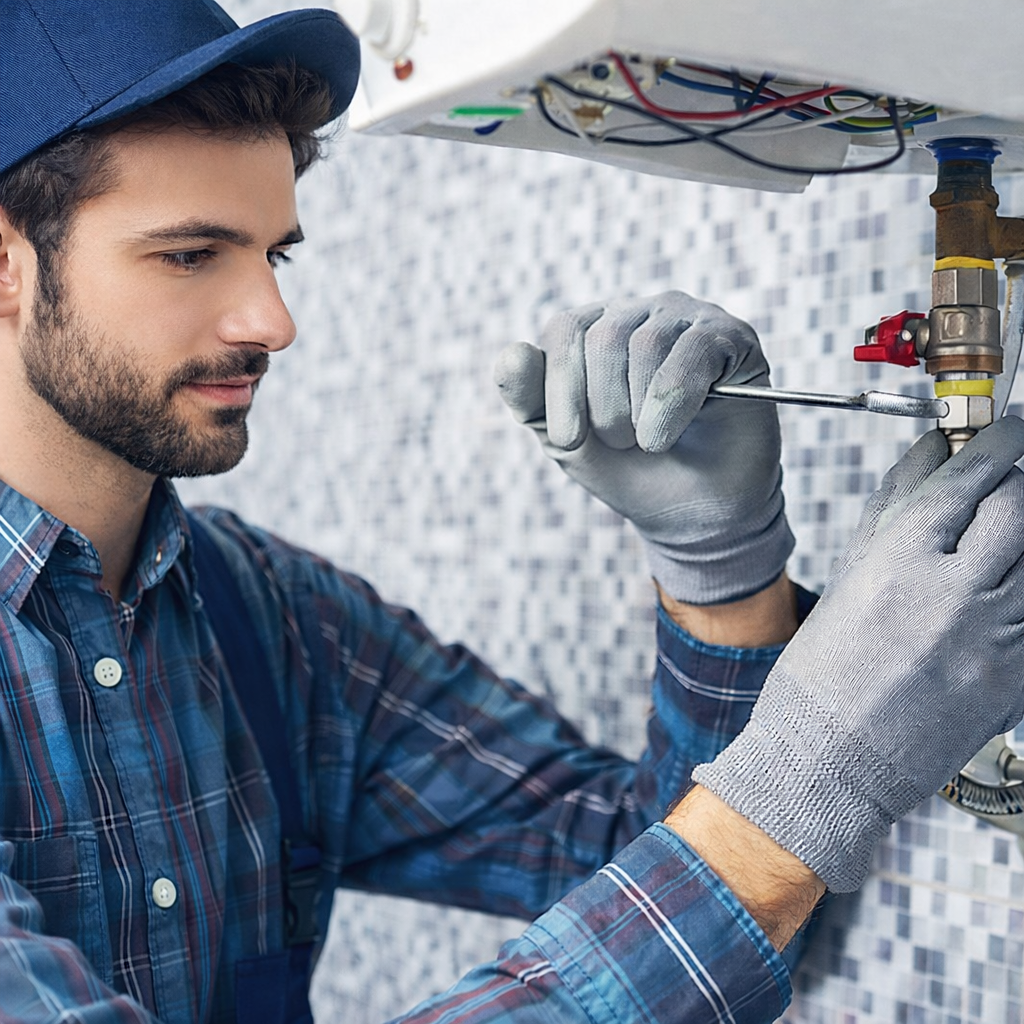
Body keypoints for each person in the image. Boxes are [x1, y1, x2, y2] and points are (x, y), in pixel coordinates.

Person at [2, 3, 1024, 1024]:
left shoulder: (259, 617)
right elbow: (742, 860)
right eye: (190, 255)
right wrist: (811, 771)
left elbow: (680, 889)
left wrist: (723, 573)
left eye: (275, 256)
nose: (272, 322)